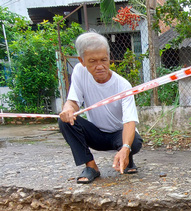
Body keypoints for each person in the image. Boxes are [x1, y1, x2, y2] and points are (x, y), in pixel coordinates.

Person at [59, 32, 143, 184]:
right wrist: (67, 109)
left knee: (134, 142)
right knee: (65, 121)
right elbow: (72, 102)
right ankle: (91, 167)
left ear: (109, 58)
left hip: (119, 135)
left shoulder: (123, 85)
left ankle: (126, 157)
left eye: (104, 60)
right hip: (96, 134)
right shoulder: (79, 71)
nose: (100, 66)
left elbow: (130, 121)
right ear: (82, 61)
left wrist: (125, 147)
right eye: (92, 61)